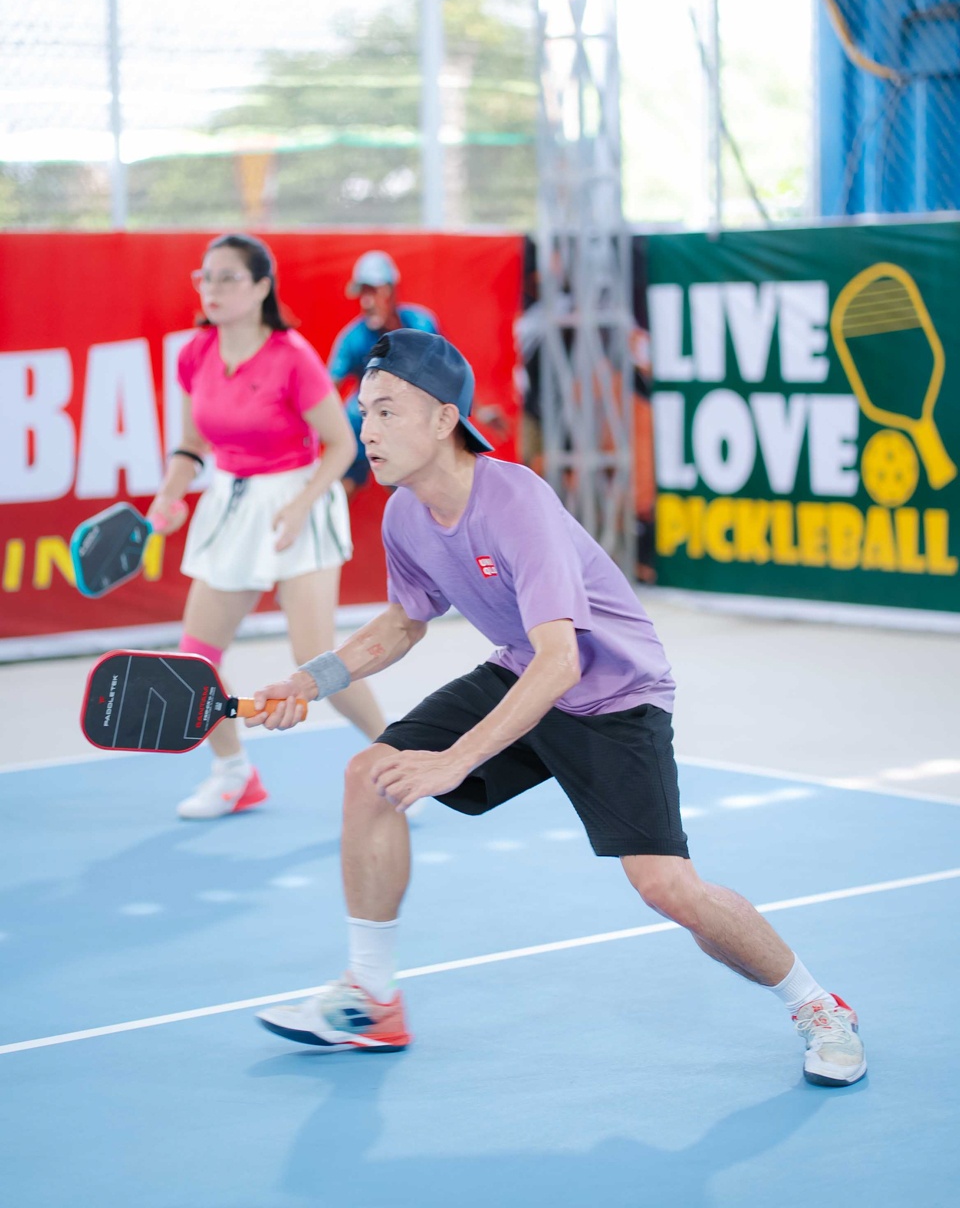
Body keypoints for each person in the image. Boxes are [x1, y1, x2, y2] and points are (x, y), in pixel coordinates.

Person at [245, 329, 866, 1088]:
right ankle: (372, 997)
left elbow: (564, 660)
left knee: (668, 888)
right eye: (363, 411)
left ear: (443, 420)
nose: (366, 429)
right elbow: (406, 621)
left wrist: (454, 761)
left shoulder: (515, 500)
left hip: (613, 694)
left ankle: (818, 1006)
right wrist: (308, 680)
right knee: (369, 773)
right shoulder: (405, 514)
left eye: (386, 411)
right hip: (524, 669)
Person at [147, 232, 386, 820]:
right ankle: (234, 773)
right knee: (194, 659)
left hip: (299, 498)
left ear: (260, 288)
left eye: (228, 277)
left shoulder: (293, 357)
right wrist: (169, 495)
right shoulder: (195, 354)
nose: (213, 288)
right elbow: (191, 443)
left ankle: (400, 754)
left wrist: (301, 504)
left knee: (316, 660)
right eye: (205, 277)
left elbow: (341, 443)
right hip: (231, 502)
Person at [327, 250, 439, 498]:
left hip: (407, 424)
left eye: (373, 291)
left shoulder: (421, 325)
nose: (366, 302)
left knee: (415, 492)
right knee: (340, 488)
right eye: (362, 293)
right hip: (361, 421)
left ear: (391, 291)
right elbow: (326, 392)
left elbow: (448, 374)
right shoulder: (353, 338)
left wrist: (477, 411)